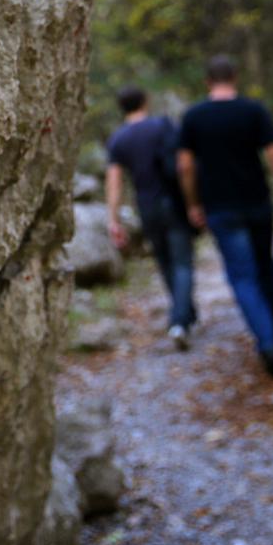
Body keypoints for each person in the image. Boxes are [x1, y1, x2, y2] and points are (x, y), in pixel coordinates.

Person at [177, 55, 273, 377]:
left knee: (242, 276)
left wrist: (193, 204)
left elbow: (185, 165)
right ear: (235, 76)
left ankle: (269, 342)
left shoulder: (194, 117)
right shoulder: (253, 110)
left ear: (207, 81)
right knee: (265, 269)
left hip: (220, 208)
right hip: (258, 203)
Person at [105, 86, 197, 349]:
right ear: (146, 101)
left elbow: (115, 183)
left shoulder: (117, 140)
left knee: (166, 261)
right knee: (182, 262)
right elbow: (184, 163)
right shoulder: (163, 125)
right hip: (174, 203)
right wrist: (194, 202)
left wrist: (114, 220)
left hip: (146, 208)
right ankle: (180, 320)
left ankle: (185, 314)